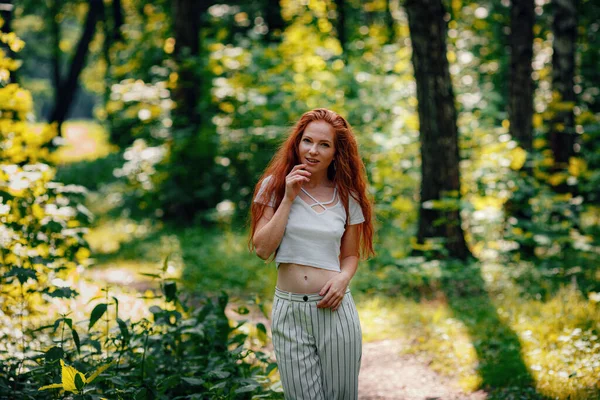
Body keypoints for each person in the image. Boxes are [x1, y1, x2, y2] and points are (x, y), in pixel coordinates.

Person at [249, 108, 375, 399]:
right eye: (307, 141)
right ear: (297, 143)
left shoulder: (348, 196)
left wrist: (344, 279)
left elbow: (350, 254)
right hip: (288, 311)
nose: (313, 151)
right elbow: (262, 248)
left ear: (336, 153)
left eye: (324, 145)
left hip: (333, 309)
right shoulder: (274, 187)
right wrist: (289, 197)